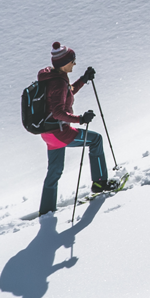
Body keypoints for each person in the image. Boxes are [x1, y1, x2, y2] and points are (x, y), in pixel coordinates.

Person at [36, 41, 118, 215]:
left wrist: (83, 80)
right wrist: (80, 119)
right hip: (60, 132)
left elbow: (67, 92)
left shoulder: (53, 77)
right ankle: (100, 183)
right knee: (95, 140)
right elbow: (58, 112)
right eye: (72, 61)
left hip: (48, 132)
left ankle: (46, 210)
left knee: (54, 171)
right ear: (64, 63)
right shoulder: (58, 82)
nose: (74, 63)